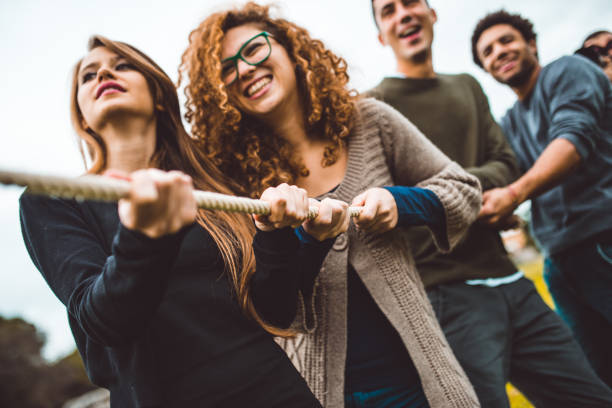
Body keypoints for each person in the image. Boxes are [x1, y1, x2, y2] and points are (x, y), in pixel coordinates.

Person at [179, 2, 483, 407]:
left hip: (424, 386)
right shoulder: (234, 187)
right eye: (227, 68)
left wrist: (401, 203)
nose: (245, 69)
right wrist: (305, 242)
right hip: (319, 395)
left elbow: (463, 189)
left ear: (290, 48)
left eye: (253, 50)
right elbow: (269, 306)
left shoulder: (369, 121)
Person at [19, 35, 349, 407]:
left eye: (123, 65)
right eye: (88, 75)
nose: (105, 73)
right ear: (81, 115)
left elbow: (273, 309)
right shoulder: (52, 201)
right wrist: (143, 239)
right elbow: (105, 323)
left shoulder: (216, 189)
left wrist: (287, 236)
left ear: (159, 96)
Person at [367, 1, 612, 407]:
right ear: (380, 34)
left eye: (411, 3)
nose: (403, 14)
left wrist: (439, 194)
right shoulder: (376, 106)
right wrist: (467, 191)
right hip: (445, 291)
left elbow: (507, 164)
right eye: (388, 10)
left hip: (512, 277)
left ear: (433, 14)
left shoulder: (468, 86)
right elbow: (383, 199)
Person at [472, 10, 612, 388]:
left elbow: (573, 140)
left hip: (604, 237)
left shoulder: (566, 72)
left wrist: (514, 194)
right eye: (488, 51)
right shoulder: (510, 121)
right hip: (560, 260)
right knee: (598, 375)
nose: (498, 52)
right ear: (485, 68)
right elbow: (502, 173)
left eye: (506, 41)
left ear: (531, 44)